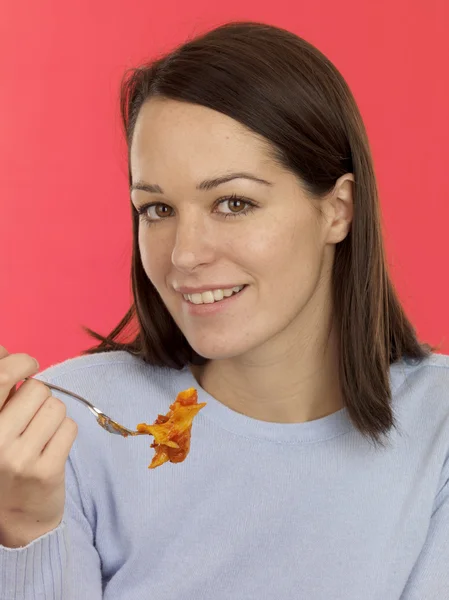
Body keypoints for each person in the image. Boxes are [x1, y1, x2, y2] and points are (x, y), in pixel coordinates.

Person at [0, 20, 448, 600]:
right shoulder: (61, 434)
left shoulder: (438, 427)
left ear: (338, 210)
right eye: (156, 209)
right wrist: (26, 530)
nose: (184, 255)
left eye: (233, 203)